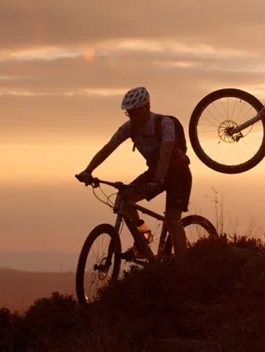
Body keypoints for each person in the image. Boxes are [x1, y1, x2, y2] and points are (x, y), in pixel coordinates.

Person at [77, 86, 192, 257]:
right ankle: (145, 240)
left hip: (178, 174)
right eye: (129, 113)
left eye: (135, 112)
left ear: (147, 107)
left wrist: (158, 180)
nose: (132, 116)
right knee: (126, 198)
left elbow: (166, 153)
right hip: (155, 173)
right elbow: (108, 148)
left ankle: (184, 267)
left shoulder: (164, 123)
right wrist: (88, 170)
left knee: (172, 220)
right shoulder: (129, 128)